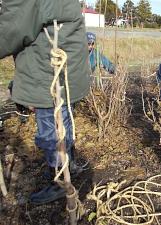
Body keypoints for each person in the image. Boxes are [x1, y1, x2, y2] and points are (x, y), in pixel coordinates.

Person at [0, 0, 90, 205]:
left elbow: (8, 32)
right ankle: (70, 168)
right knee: (63, 124)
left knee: (52, 133)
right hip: (66, 74)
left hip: (48, 76)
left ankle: (59, 181)